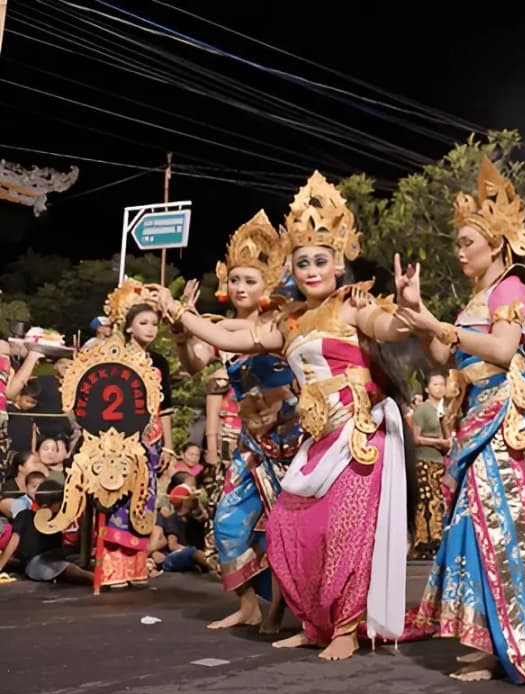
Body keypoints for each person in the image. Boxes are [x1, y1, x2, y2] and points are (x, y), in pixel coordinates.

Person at [153, 171, 413, 661]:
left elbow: (391, 328)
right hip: (316, 442)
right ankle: (315, 623)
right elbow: (231, 339)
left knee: (346, 531)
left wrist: (409, 308)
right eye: (304, 262)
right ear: (293, 270)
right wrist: (178, 314)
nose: (313, 269)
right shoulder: (288, 322)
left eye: (321, 260)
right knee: (288, 529)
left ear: (338, 263)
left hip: (357, 435)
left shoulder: (352, 306)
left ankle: (345, 629)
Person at [398, 157, 525, 683]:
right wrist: (420, 312)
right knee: (475, 528)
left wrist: (438, 325)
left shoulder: (512, 286)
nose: (460, 251)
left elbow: (500, 346)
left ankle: (515, 646)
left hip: (506, 418)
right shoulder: (474, 298)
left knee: (505, 530)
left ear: (496, 244)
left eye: (468, 242)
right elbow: (444, 361)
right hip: (480, 415)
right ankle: (491, 638)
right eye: (458, 243)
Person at [168, 210, 302, 631]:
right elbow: (193, 365)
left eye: (251, 280)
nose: (241, 287)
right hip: (251, 445)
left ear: (268, 284)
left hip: (291, 441)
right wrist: (180, 334)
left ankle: (279, 607)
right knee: (227, 521)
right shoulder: (215, 330)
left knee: (280, 529)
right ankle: (249, 605)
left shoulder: (282, 323)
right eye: (236, 280)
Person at [98, 280, 174, 587]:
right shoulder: (113, 357)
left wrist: (168, 446)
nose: (151, 329)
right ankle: (114, 570)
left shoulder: (159, 363)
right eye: (143, 323)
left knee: (144, 500)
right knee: (118, 499)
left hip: (152, 441)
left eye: (155, 324)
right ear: (129, 327)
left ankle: (136, 567)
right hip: (117, 442)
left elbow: (166, 408)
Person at [0, 478, 93, 584]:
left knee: (80, 560)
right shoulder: (25, 515)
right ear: (54, 504)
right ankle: (95, 579)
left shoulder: (56, 520)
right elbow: (13, 542)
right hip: (36, 563)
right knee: (69, 568)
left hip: (55, 557)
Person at [410, 372, 451, 560]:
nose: (439, 388)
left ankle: (437, 538)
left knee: (437, 500)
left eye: (442, 384)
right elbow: (415, 438)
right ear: (427, 388)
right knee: (427, 502)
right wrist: (436, 442)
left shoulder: (441, 411)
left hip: (438, 461)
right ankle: (425, 541)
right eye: (435, 384)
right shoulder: (423, 410)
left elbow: (448, 438)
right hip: (424, 460)